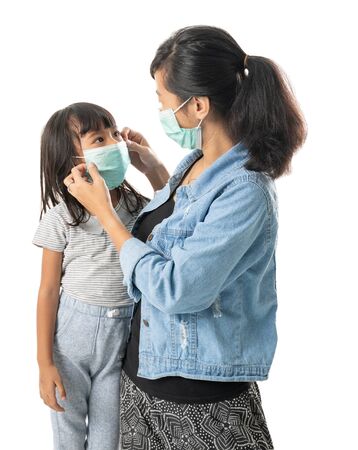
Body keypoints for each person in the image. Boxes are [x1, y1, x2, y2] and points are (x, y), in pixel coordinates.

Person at [65, 25, 307, 449]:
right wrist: (154, 170)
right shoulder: (192, 163)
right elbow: (174, 231)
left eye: (163, 100)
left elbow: (177, 288)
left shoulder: (246, 191)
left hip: (198, 399)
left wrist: (104, 211)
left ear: (197, 106)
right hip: (143, 381)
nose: (160, 109)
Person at [32, 102, 166, 449]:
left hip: (120, 342)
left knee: (110, 441)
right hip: (70, 344)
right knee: (69, 437)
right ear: (71, 161)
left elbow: (177, 214)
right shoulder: (61, 218)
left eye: (114, 134)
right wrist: (45, 363)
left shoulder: (139, 208)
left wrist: (151, 164)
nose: (113, 144)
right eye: (98, 139)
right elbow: (48, 292)